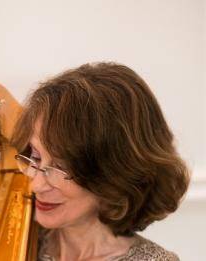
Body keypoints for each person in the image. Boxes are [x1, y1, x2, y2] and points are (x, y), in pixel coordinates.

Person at [11, 62, 189, 261]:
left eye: (61, 166)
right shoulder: (20, 238)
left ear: (113, 173)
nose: (36, 185)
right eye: (36, 156)